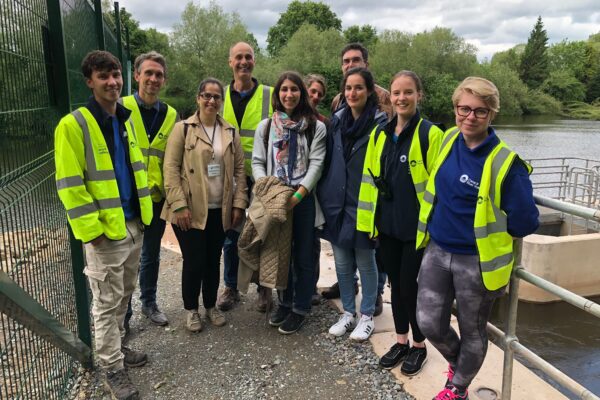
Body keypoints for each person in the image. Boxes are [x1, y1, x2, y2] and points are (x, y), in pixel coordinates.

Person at [415, 77, 539, 399]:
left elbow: (526, 221)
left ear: (491, 114)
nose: (470, 117)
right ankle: (461, 368)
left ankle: (457, 388)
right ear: (455, 109)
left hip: (476, 261)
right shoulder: (447, 139)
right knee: (429, 322)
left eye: (480, 111)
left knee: (473, 329)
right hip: (438, 248)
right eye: (464, 109)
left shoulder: (506, 164)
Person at [54, 50, 151, 400]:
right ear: (89, 81)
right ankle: (112, 369)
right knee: (106, 303)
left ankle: (117, 353)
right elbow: (69, 183)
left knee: (124, 295)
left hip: (132, 224)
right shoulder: (74, 124)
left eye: (115, 75)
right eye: (103, 76)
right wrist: (91, 232)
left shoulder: (124, 118)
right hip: (104, 233)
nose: (112, 82)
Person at [357, 71, 443, 375]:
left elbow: (439, 186)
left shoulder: (430, 134)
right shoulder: (381, 134)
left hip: (417, 231)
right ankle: (401, 340)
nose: (402, 98)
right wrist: (369, 225)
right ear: (389, 97)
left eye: (408, 92)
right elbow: (369, 181)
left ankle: (419, 345)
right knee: (395, 284)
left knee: (410, 287)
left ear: (419, 94)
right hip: (387, 226)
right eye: (396, 93)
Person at [162, 78, 247, 333]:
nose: (211, 100)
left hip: (219, 209)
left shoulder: (230, 132)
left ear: (222, 101)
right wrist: (178, 205)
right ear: (198, 98)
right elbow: (170, 168)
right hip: (189, 209)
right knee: (194, 260)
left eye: (216, 97)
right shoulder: (183, 129)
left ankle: (210, 306)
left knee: (213, 259)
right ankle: (192, 310)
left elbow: (240, 170)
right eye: (206, 95)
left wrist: (238, 205)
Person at [253, 71, 326, 334]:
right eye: (284, 89)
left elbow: (316, 163)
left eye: (294, 89)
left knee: (304, 255)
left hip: (302, 198)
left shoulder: (315, 126)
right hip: (276, 198)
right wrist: (268, 190)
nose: (289, 94)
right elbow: (258, 163)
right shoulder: (266, 127)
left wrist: (299, 194)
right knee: (281, 253)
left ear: (301, 94)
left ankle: (301, 306)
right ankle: (284, 302)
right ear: (277, 94)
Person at [318, 67, 387, 341]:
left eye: (358, 88)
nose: (352, 93)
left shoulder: (379, 124)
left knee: (366, 261)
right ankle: (348, 313)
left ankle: (367, 315)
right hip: (337, 203)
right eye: (348, 88)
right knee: (343, 263)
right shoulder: (336, 122)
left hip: (363, 205)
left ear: (369, 91)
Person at [122, 51, 177, 329]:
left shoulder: (171, 115)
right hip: (126, 198)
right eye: (149, 73)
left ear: (164, 80)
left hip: (155, 199)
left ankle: (149, 303)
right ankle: (124, 313)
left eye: (158, 75)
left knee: (151, 254)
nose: (153, 79)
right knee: (125, 258)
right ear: (137, 76)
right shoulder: (120, 107)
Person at [218, 41, 273, 312]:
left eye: (248, 57)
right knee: (231, 233)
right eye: (238, 57)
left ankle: (265, 288)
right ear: (230, 62)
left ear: (254, 61)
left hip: (264, 176)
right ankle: (230, 287)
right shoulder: (219, 96)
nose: (243, 62)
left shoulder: (269, 95)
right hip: (230, 179)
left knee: (263, 233)